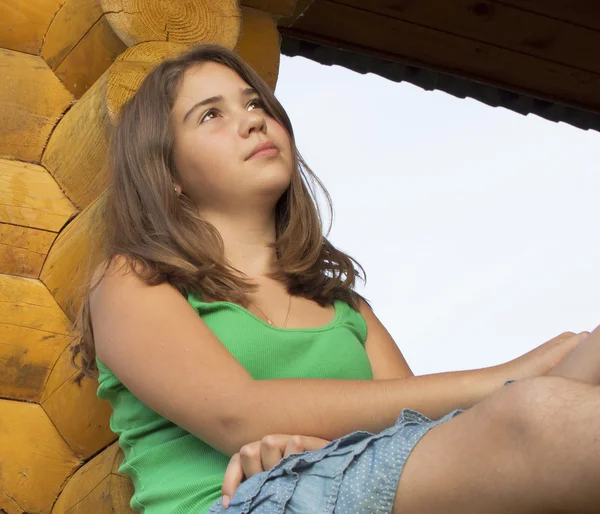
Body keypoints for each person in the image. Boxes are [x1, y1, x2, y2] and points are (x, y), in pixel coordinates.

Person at [72, 44, 600, 514]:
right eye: (210, 115)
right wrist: (505, 378)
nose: (252, 121)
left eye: (256, 104)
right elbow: (239, 415)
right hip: (241, 501)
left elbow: (419, 434)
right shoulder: (130, 281)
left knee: (588, 360)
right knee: (534, 413)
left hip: (351, 480)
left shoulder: (345, 306)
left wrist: (322, 447)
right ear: (169, 175)